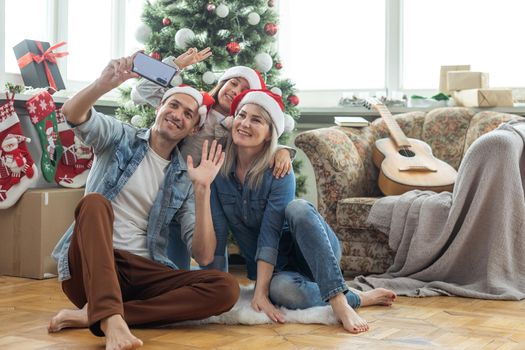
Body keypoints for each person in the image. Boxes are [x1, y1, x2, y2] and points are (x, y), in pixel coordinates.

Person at [48, 53, 239, 350]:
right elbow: (73, 114)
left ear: (192, 130)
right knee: (94, 203)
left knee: (226, 288)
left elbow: (203, 255)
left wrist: (202, 190)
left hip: (141, 271)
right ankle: (110, 317)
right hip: (90, 266)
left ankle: (96, 314)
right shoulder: (120, 137)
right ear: (159, 107)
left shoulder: (184, 178)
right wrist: (102, 84)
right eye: (173, 105)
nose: (178, 114)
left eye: (188, 114)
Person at [206, 89, 397, 334]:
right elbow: (218, 232)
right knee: (283, 292)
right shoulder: (218, 170)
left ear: (269, 134)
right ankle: (357, 297)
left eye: (256, 120)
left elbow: (270, 232)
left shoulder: (279, 170)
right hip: (277, 270)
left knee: (297, 207)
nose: (244, 124)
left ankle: (340, 302)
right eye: (241, 115)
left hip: (314, 248)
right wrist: (213, 289)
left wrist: (260, 292)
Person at [131, 48, 293, 178]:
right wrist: (176, 64)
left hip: (199, 194)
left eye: (244, 91)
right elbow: (144, 88)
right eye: (233, 83)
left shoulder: (238, 127)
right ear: (222, 83)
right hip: (158, 174)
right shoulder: (192, 104)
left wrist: (283, 151)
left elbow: (261, 141)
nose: (234, 91)